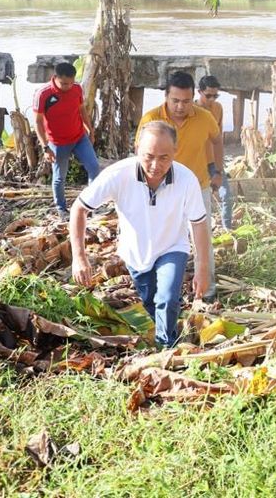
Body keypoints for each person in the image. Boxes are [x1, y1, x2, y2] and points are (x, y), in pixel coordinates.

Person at [69, 121, 211, 347]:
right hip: (135, 253)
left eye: (164, 157)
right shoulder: (118, 174)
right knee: (151, 302)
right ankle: (168, 331)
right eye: (149, 156)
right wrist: (79, 257)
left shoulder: (187, 180)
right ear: (137, 149)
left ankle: (166, 349)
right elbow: (80, 208)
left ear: (175, 151)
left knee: (167, 297)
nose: (155, 165)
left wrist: (202, 268)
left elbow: (198, 223)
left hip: (172, 247)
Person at [137, 71, 223, 300]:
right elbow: (141, 155)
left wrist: (218, 170)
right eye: (175, 101)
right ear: (166, 96)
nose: (180, 106)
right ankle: (156, 289)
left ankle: (208, 290)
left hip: (198, 187)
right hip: (161, 187)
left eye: (185, 101)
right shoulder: (151, 119)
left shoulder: (204, 117)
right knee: (159, 236)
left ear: (193, 97)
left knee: (202, 238)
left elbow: (217, 140)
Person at [33, 61, 100, 221]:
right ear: (55, 78)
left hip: (79, 137)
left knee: (94, 168)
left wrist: (90, 129)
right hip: (57, 143)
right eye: (64, 83)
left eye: (70, 83)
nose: (68, 86)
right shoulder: (43, 94)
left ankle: (91, 205)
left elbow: (82, 109)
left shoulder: (76, 88)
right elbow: (37, 122)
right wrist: (45, 147)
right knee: (59, 177)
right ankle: (61, 209)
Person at [196, 75, 234, 230]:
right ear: (199, 92)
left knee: (226, 195)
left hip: (213, 160)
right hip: (196, 161)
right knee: (199, 200)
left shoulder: (218, 108)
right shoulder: (192, 110)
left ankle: (227, 228)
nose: (211, 99)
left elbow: (219, 138)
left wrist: (219, 165)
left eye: (215, 96)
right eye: (208, 96)